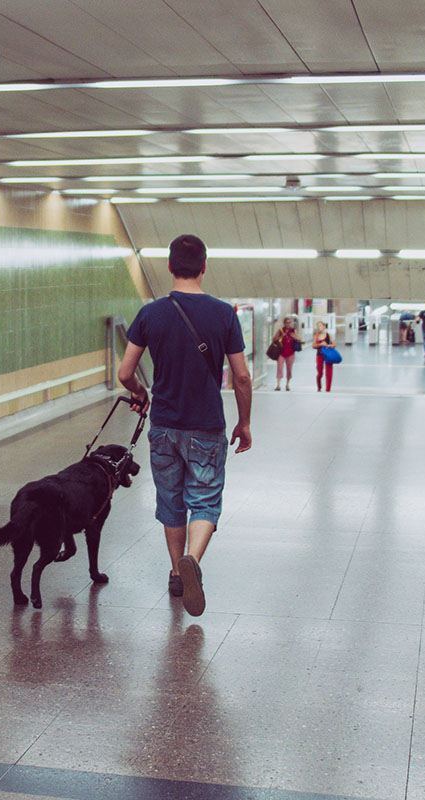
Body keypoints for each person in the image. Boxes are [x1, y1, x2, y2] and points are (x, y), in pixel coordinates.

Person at [117, 234, 253, 617]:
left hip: (163, 426)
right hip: (206, 426)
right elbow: (241, 377)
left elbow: (125, 372)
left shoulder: (151, 313)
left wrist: (141, 392)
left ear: (170, 267)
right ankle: (194, 558)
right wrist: (244, 422)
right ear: (205, 267)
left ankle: (177, 572)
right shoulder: (223, 314)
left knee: (171, 500)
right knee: (205, 499)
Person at [271, 316, 302, 390]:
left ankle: (287, 384)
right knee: (280, 368)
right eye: (286, 323)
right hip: (281, 353)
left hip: (291, 353)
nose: (288, 324)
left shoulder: (293, 331)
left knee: (289, 369)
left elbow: (300, 339)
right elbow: (274, 339)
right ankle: (278, 385)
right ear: (284, 323)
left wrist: (294, 336)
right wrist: (281, 336)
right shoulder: (281, 330)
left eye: (289, 323)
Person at [312, 320, 336, 392]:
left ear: (324, 326)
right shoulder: (316, 336)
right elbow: (313, 346)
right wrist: (320, 345)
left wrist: (328, 345)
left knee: (329, 372)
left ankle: (328, 388)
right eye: (318, 326)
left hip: (328, 355)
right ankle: (319, 386)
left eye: (320, 325)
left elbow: (334, 345)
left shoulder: (328, 335)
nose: (319, 327)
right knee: (320, 372)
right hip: (319, 355)